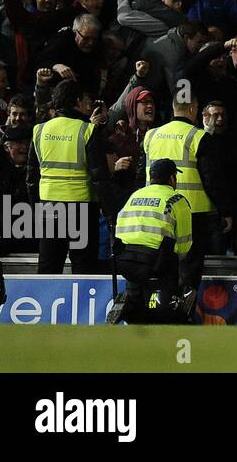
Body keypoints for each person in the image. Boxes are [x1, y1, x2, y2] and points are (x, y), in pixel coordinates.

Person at [141, 93, 227, 296]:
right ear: (192, 109)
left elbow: (141, 173)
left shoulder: (151, 135)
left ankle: (163, 308)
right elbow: (212, 179)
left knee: (163, 264)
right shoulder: (199, 137)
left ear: (173, 108)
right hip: (192, 214)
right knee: (189, 269)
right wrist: (225, 210)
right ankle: (184, 312)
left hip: (156, 210)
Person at [30, 79, 107, 274]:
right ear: (78, 100)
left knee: (48, 266)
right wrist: (108, 211)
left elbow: (31, 177)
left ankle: (44, 304)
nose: (88, 105)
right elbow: (99, 177)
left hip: (49, 207)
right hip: (81, 208)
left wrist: (35, 209)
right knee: (84, 267)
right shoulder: (87, 130)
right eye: (86, 100)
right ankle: (81, 305)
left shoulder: (39, 130)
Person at [106, 159, 193, 324]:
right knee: (163, 310)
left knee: (136, 298)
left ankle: (130, 306)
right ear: (172, 178)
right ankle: (162, 307)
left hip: (124, 261)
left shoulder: (134, 196)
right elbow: (184, 244)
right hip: (156, 262)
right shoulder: (176, 200)